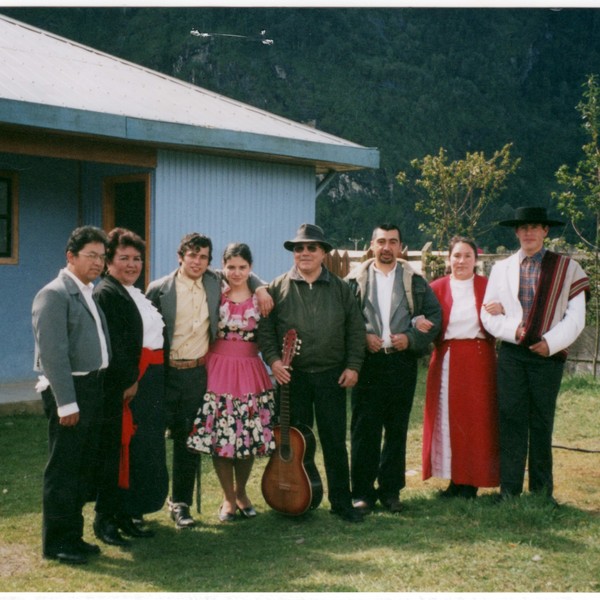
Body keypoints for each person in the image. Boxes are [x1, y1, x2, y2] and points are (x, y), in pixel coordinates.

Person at [146, 232, 272, 528]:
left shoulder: (214, 282)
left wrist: (262, 287)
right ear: (181, 256)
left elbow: (245, 276)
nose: (197, 262)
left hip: (200, 372)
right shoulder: (162, 288)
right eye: (192, 255)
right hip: (167, 373)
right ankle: (140, 504)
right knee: (151, 438)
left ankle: (182, 504)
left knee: (191, 441)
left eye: (203, 257)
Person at [258, 223, 366, 523]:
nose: (304, 253)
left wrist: (353, 366)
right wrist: (274, 361)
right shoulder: (277, 287)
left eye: (311, 248)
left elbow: (356, 330)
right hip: (293, 379)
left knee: (333, 442)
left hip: (332, 376)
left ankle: (342, 503)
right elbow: (265, 331)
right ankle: (295, 500)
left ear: (323, 253)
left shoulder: (342, 288)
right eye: (299, 248)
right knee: (292, 443)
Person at [481, 206, 590, 504]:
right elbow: (487, 314)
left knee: (542, 422)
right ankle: (509, 491)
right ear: (516, 232)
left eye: (535, 227)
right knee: (511, 419)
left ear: (545, 231)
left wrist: (550, 343)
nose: (529, 232)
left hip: (547, 357)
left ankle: (542, 493)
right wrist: (514, 329)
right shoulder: (501, 269)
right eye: (523, 227)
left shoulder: (567, 269)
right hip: (513, 355)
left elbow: (576, 317)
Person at [345, 224, 441, 513]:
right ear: (371, 245)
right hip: (368, 363)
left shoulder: (415, 281)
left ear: (401, 247)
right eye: (382, 241)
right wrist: (362, 338)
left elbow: (435, 315)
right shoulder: (354, 280)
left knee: (396, 428)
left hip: (401, 362)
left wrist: (411, 339)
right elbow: (343, 318)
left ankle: (390, 491)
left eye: (393, 242)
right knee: (365, 428)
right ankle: (361, 492)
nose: (387, 247)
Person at [32, 225, 110, 564]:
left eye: (102, 256)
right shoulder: (55, 293)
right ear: (71, 257)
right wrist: (66, 403)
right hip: (70, 390)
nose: (98, 262)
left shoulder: (86, 291)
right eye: (91, 255)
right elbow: (53, 355)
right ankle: (58, 542)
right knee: (64, 469)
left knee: (81, 467)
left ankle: (73, 536)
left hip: (91, 388)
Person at [186, 242, 276, 521]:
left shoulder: (263, 297)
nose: (236, 273)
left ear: (251, 268)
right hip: (218, 369)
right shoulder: (215, 290)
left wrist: (260, 287)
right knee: (221, 436)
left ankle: (241, 492)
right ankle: (227, 497)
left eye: (243, 267)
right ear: (223, 267)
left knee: (247, 436)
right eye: (231, 267)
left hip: (250, 370)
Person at [93, 228, 168, 547]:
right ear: (108, 261)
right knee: (117, 451)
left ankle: (128, 513)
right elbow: (113, 345)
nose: (131, 264)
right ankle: (105, 519)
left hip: (150, 380)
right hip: (128, 383)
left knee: (138, 452)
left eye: (137, 258)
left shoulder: (136, 293)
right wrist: (128, 381)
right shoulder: (107, 293)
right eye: (123, 258)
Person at [420, 236, 501, 499]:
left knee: (476, 420)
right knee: (447, 418)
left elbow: (507, 315)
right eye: (456, 255)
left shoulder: (488, 287)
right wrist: (418, 322)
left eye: (467, 256)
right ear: (448, 259)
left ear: (476, 260)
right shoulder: (436, 288)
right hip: (446, 358)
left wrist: (501, 309)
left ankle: (473, 479)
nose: (461, 261)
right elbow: (420, 316)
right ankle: (455, 480)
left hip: (479, 359)